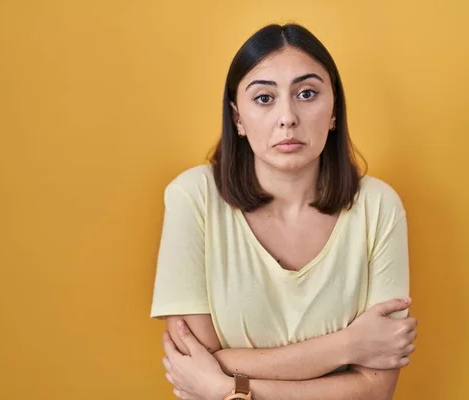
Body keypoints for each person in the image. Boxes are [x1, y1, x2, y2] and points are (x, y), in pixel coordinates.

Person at [150, 23, 418, 400]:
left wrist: (227, 388)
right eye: (264, 98)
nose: (287, 116)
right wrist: (348, 346)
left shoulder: (378, 206)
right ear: (237, 118)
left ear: (334, 111)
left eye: (307, 93)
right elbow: (191, 362)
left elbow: (375, 391)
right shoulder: (192, 197)